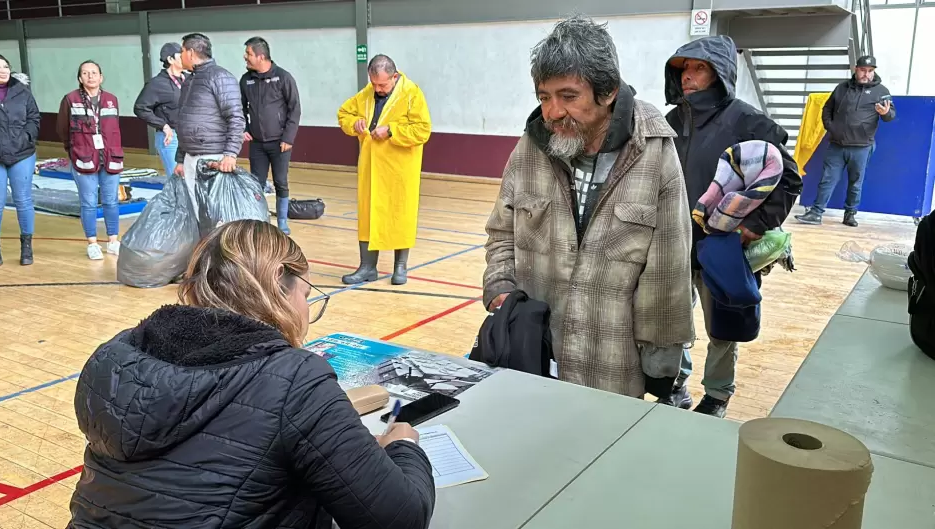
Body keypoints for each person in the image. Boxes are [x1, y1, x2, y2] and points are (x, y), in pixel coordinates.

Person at [67, 219, 436, 529]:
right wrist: (403, 446)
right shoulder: (294, 379)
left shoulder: (116, 355)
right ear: (278, 283)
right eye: (305, 293)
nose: (306, 308)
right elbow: (400, 519)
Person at [482, 16, 694, 399]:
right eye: (544, 97)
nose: (552, 112)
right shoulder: (530, 149)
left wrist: (661, 367)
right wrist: (500, 286)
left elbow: (668, 268)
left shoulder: (654, 152)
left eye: (568, 96)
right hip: (533, 357)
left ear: (608, 90)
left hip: (612, 365)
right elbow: (501, 231)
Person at [663, 35, 803, 417]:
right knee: (673, 322)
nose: (688, 76)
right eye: (684, 68)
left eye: (699, 67)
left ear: (719, 72)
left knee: (722, 326)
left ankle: (717, 396)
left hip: (722, 247)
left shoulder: (748, 121)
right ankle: (675, 385)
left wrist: (755, 225)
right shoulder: (671, 121)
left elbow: (788, 179)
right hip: (674, 243)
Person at [337, 54, 431, 286]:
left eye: (383, 84)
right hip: (371, 167)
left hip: (399, 168)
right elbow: (344, 114)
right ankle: (367, 267)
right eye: (374, 83)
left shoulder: (412, 94)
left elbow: (422, 130)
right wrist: (355, 123)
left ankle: (400, 267)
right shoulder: (368, 92)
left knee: (400, 214)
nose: (377, 89)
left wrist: (392, 130)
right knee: (368, 215)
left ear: (395, 76)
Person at [795, 55, 895, 228]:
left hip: (862, 147)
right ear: (856, 69)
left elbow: (890, 116)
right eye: (863, 70)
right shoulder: (842, 88)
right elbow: (827, 108)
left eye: (870, 71)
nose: (866, 74)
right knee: (827, 180)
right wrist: (830, 127)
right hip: (837, 145)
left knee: (856, 183)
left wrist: (885, 113)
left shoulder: (881, 91)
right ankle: (816, 213)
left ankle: (850, 215)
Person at [57, 60, 126, 260]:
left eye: (94, 72)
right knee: (88, 203)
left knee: (111, 201)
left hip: (110, 158)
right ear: (80, 78)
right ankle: (92, 243)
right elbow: (62, 129)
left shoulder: (112, 99)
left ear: (101, 77)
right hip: (83, 157)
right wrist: (74, 150)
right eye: (85, 73)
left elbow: (115, 128)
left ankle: (113, 241)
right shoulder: (70, 99)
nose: (90, 76)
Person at [173, 33, 245, 220]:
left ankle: (217, 248)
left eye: (181, 51)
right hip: (191, 157)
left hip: (214, 157)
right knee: (196, 210)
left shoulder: (221, 77)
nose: (180, 56)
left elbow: (236, 117)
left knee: (216, 213)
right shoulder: (189, 81)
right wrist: (181, 159)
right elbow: (184, 120)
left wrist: (230, 154)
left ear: (190, 52)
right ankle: (202, 247)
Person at [241, 36, 301, 235]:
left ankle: (282, 222)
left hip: (280, 144)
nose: (245, 57)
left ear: (261, 56)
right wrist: (243, 128)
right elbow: (239, 108)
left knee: (280, 181)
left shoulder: (283, 78)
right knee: (255, 183)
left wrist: (288, 138)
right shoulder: (246, 80)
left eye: (249, 54)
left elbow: (295, 109)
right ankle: (259, 219)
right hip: (257, 144)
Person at [0, 53, 39, 267]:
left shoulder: (22, 92)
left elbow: (34, 118)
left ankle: (26, 246)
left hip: (23, 153)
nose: (2, 70)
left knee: (23, 201)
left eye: (5, 66)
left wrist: (27, 137)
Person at [134, 42, 185, 178]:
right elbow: (140, 108)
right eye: (182, 55)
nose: (186, 58)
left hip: (189, 135)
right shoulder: (157, 83)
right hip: (170, 137)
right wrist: (163, 125)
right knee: (178, 179)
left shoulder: (189, 79)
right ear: (170, 59)